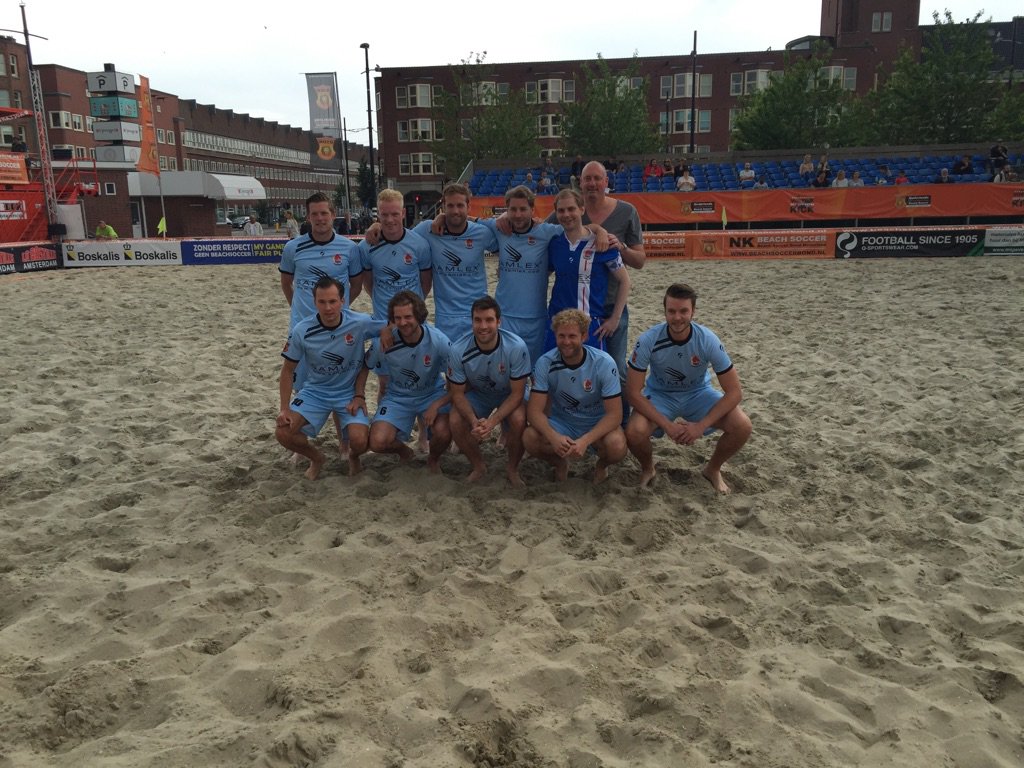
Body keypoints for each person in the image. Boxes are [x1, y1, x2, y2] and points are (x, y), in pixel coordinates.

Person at [625, 283, 751, 493]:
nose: (677, 317)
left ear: (693, 311)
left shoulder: (707, 339)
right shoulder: (648, 339)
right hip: (660, 394)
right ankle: (648, 468)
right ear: (665, 311)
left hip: (698, 393)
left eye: (683, 311)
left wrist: (700, 426)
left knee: (742, 426)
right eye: (671, 311)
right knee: (634, 432)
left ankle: (713, 469)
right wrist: (667, 425)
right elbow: (632, 392)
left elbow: (735, 392)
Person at [275, 277, 386, 480]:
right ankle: (317, 458)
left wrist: (386, 333)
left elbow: (394, 326)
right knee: (283, 432)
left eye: (333, 301)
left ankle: (353, 456)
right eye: (322, 302)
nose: (328, 308)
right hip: (315, 392)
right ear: (314, 302)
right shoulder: (302, 330)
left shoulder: (360, 322)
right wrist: (284, 408)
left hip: (348, 393)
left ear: (342, 301)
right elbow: (287, 371)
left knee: (360, 441)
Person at [523, 309, 627, 483]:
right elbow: (534, 412)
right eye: (561, 336)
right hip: (563, 422)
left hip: (595, 421)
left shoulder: (603, 363)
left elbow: (615, 415)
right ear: (555, 336)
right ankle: (560, 463)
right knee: (530, 438)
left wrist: (585, 440)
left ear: (584, 336)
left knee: (616, 446)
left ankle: (602, 466)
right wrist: (553, 437)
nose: (566, 342)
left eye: (572, 336)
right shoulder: (545, 362)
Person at [363, 291, 452, 473]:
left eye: (408, 317)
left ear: (419, 316)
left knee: (444, 432)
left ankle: (433, 459)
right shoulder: (385, 341)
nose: (403, 322)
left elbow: (458, 379)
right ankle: (405, 452)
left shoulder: (439, 340)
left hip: (431, 393)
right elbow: (365, 365)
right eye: (398, 318)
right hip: (398, 397)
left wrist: (437, 405)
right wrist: (358, 395)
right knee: (377, 442)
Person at [447, 296, 531, 486]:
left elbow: (517, 393)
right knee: (455, 420)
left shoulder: (516, 346)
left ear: (499, 322)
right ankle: (478, 466)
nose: (483, 326)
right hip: (479, 393)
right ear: (471, 322)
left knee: (518, 419)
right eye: (478, 320)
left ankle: (512, 468)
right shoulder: (458, 349)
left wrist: (492, 422)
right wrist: (474, 421)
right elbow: (457, 394)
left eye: (489, 320)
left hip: (508, 393)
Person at [546, 188, 630, 353]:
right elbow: (543, 275)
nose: (566, 214)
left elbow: (625, 281)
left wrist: (615, 319)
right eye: (561, 210)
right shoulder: (554, 243)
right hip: (557, 324)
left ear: (582, 209)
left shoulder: (601, 243)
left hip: (590, 326)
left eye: (571, 209)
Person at [352, 188, 432, 322]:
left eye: (395, 214)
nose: (390, 220)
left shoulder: (420, 244)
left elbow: (426, 283)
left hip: (413, 319)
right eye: (384, 214)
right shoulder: (366, 247)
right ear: (378, 214)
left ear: (403, 213)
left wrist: (415, 305)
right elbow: (368, 284)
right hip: (383, 318)